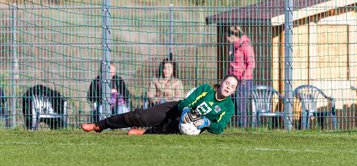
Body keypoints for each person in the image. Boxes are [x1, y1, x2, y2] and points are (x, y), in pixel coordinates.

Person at [81, 75, 239, 135]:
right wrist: (184, 111)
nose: (228, 88)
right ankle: (99, 125)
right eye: (227, 83)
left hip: (191, 125)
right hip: (176, 109)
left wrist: (207, 122)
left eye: (232, 87)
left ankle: (144, 134)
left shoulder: (229, 107)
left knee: (175, 128)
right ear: (221, 83)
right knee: (138, 116)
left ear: (233, 91)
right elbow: (186, 102)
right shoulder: (206, 89)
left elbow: (220, 127)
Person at [227, 26, 256, 128]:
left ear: (233, 36)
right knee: (231, 104)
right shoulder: (233, 46)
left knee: (241, 105)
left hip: (243, 81)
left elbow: (251, 63)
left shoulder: (245, 45)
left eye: (228, 36)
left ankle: (242, 127)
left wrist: (244, 77)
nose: (226, 39)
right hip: (232, 79)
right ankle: (231, 126)